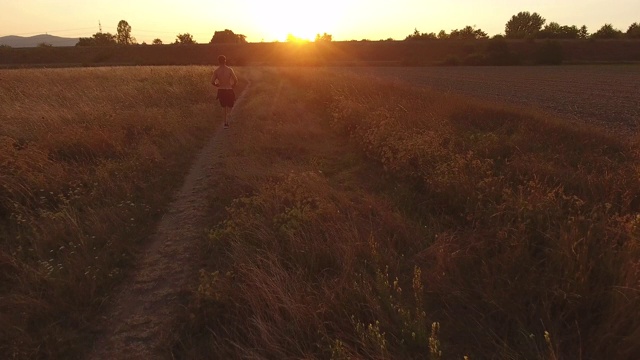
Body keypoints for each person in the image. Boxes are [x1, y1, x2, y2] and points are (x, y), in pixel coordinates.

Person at [211, 55, 238, 129]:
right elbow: (235, 80)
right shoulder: (229, 70)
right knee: (230, 106)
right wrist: (232, 86)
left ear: (218, 61)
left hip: (221, 90)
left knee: (224, 107)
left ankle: (225, 123)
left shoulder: (216, 71)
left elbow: (212, 81)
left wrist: (217, 85)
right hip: (229, 89)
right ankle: (228, 120)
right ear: (225, 60)